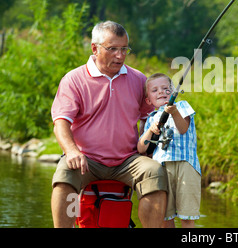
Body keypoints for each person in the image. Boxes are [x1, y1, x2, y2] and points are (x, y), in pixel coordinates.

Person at [50, 21, 167, 228]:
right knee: (65, 174)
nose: (120, 55)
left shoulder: (139, 79)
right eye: (112, 49)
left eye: (124, 49)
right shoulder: (74, 79)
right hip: (87, 159)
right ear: (95, 48)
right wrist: (71, 151)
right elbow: (61, 122)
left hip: (128, 160)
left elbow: (150, 118)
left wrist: (149, 146)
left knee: (154, 171)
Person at [137, 73, 201, 228]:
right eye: (155, 90)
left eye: (165, 88)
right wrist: (150, 131)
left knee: (187, 216)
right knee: (166, 216)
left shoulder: (182, 106)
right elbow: (141, 148)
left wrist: (173, 112)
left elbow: (183, 128)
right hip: (162, 168)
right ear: (148, 100)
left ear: (173, 92)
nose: (161, 92)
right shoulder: (151, 117)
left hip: (186, 164)